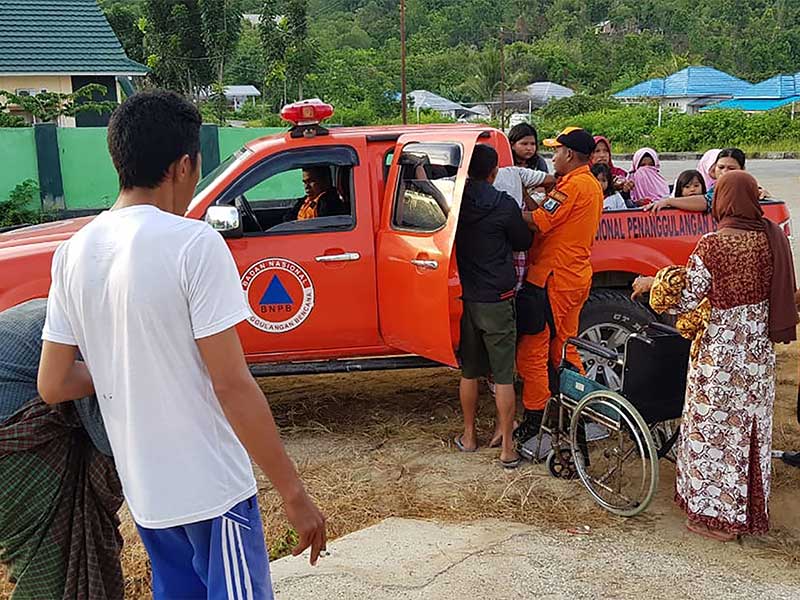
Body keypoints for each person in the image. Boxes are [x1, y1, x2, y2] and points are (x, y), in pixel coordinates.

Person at [37, 91, 326, 599]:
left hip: (149, 496)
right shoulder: (194, 244)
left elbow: (53, 383)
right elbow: (232, 385)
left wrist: (125, 365)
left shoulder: (73, 252)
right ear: (184, 165)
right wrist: (294, 493)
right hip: (214, 493)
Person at [632, 171, 798, 541]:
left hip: (720, 355)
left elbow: (687, 298)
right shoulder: (770, 238)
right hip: (757, 354)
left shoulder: (713, 244)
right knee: (749, 430)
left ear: (721, 201)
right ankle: (747, 514)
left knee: (714, 433)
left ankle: (715, 519)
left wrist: (655, 282)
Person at [0, 300, 122, 599]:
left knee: (38, 561)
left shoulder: (57, 308)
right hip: (15, 446)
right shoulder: (86, 330)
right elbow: (108, 439)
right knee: (50, 570)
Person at [515, 127, 604, 442]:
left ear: (569, 154)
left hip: (553, 280)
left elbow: (540, 221)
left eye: (556, 151)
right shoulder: (588, 185)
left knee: (533, 351)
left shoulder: (572, 187)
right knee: (565, 347)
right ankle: (581, 412)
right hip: (573, 277)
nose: (552, 157)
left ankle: (535, 418)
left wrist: (505, 208)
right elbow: (545, 214)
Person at [453, 144, 533, 469]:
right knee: (503, 375)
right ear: (494, 172)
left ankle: (469, 436)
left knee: (469, 371)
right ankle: (508, 449)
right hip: (498, 299)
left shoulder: (455, 203)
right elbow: (523, 241)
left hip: (469, 296)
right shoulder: (503, 204)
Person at [646, 148, 770, 213]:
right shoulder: (717, 187)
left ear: (742, 169)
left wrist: (669, 202)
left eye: (731, 168)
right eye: (721, 167)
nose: (724, 172)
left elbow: (707, 201)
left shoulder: (743, 188)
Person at [492, 166, 556, 289]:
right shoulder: (515, 174)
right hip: (534, 265)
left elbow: (541, 221)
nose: (554, 160)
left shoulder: (458, 186)